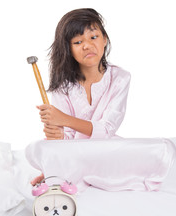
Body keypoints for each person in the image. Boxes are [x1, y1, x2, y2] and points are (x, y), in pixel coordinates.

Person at [31, 8, 131, 186]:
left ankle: (67, 172)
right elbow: (67, 139)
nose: (87, 45)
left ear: (105, 39)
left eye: (93, 37)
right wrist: (58, 134)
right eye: (77, 41)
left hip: (106, 150)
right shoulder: (62, 86)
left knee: (158, 150)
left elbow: (107, 130)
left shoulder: (120, 78)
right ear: (68, 49)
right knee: (36, 148)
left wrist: (64, 119)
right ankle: (57, 172)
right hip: (75, 153)